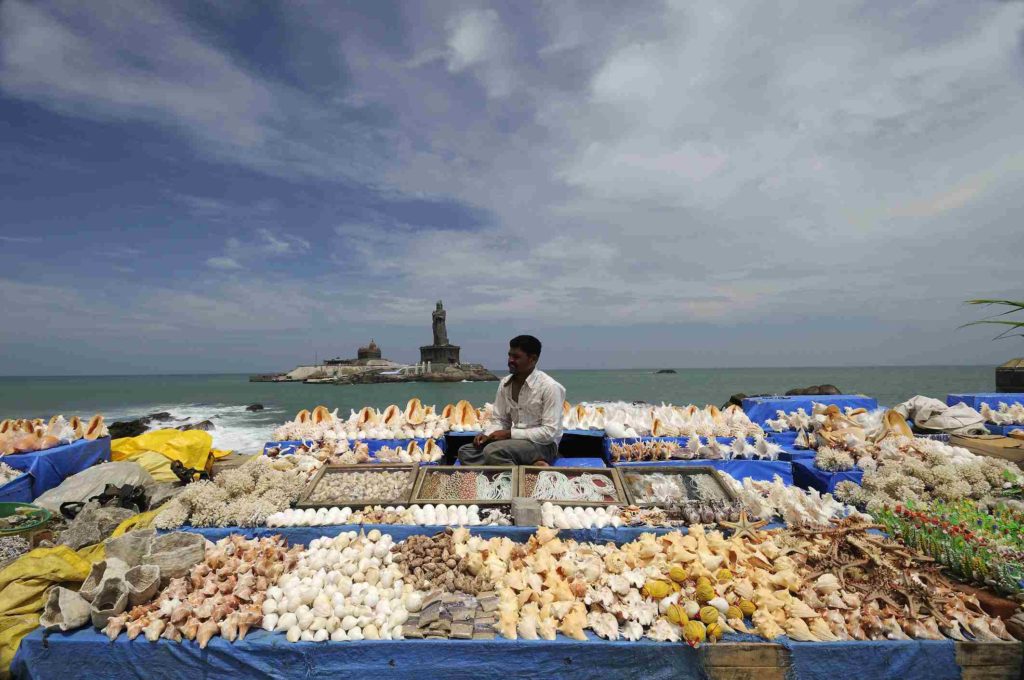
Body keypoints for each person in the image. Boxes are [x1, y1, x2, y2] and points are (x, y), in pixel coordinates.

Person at [458, 335, 565, 466]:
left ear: (533, 359)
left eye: (516, 357)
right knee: (465, 451)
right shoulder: (505, 384)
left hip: (544, 445)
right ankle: (529, 465)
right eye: (509, 356)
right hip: (514, 444)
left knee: (492, 452)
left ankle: (516, 476)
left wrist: (509, 434)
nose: (510, 360)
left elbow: (549, 432)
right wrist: (488, 435)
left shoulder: (550, 387)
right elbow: (500, 420)